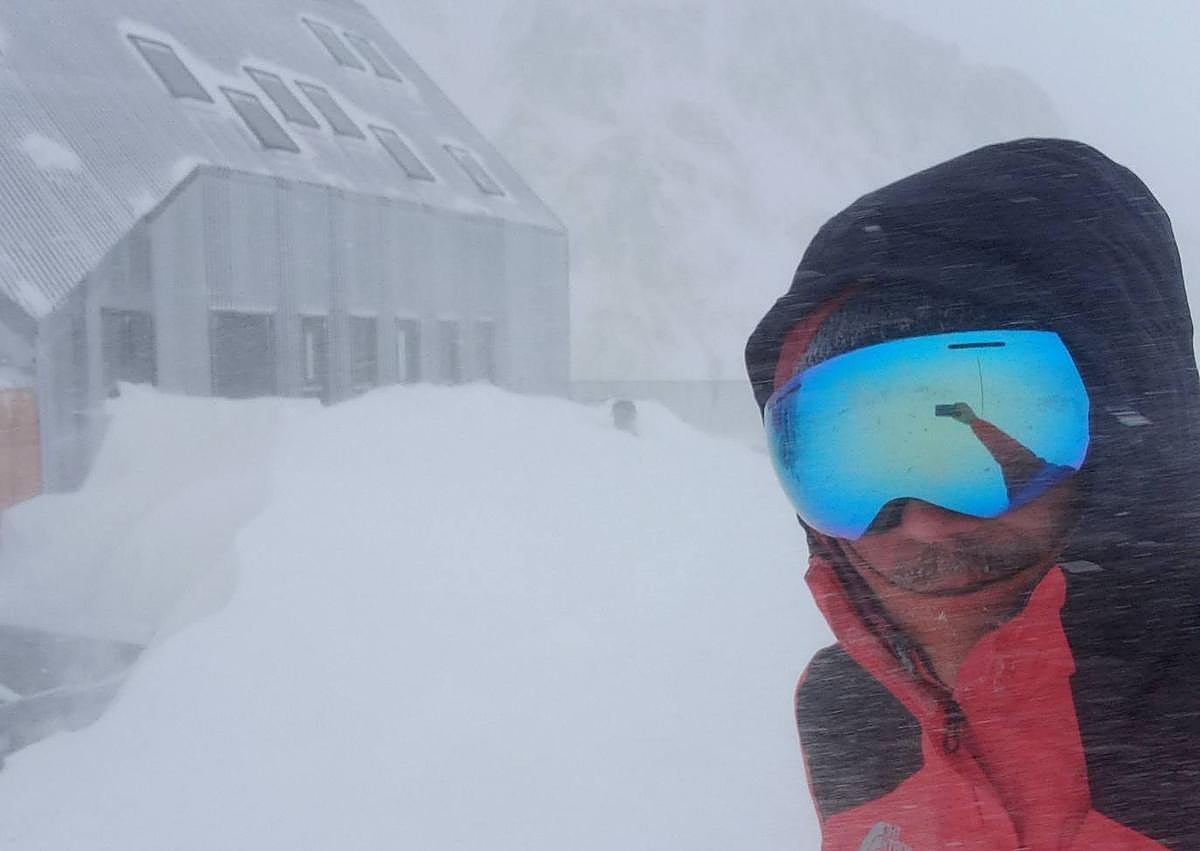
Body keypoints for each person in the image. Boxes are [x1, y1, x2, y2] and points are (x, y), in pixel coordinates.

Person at [745, 139, 1200, 849]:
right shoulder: (854, 708)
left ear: (1131, 428)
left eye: (974, 452)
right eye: (854, 459)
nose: (923, 521)